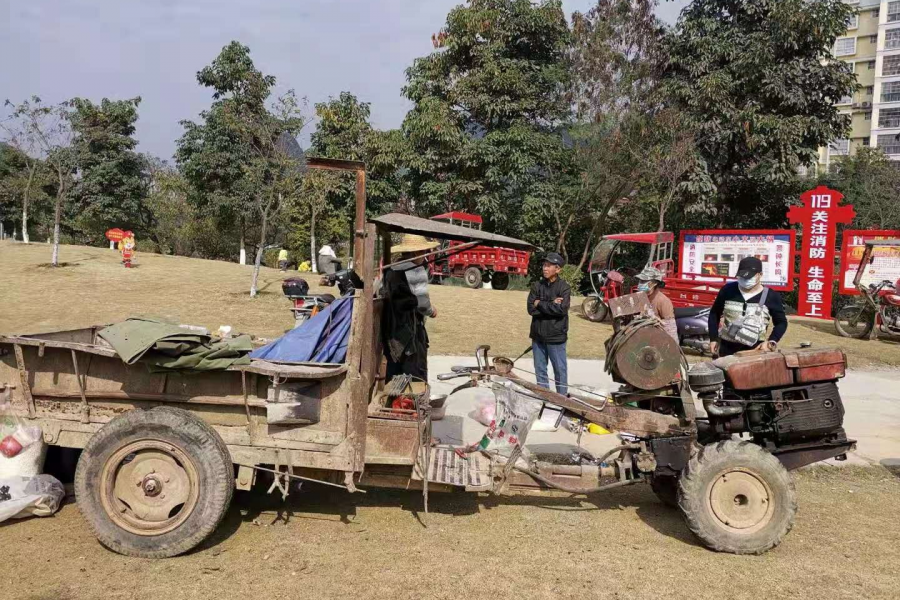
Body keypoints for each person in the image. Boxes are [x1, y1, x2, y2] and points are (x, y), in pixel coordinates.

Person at [381, 234, 439, 381]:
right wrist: (432, 311)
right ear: (416, 253)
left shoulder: (391, 268)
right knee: (415, 376)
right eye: (424, 252)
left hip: (393, 331)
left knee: (395, 376)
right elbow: (423, 306)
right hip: (410, 331)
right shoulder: (416, 270)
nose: (425, 255)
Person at [708, 256, 788, 358]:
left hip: (756, 352)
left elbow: (781, 322)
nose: (745, 280)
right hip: (726, 351)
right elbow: (714, 313)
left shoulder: (771, 296)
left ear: (760, 275)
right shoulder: (727, 290)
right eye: (742, 277)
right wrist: (713, 339)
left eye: (749, 277)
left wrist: (771, 341)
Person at [527, 252, 571, 395]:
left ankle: (563, 401)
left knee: (560, 371)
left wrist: (540, 303)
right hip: (538, 337)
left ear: (557, 269)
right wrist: (551, 304)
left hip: (556, 337)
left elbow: (561, 310)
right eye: (544, 265)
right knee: (540, 371)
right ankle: (544, 399)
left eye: (548, 266)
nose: (545, 268)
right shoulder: (536, 286)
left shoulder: (564, 287)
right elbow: (530, 309)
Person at [636, 265, 678, 341]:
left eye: (644, 281)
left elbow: (671, 332)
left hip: (659, 342)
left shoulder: (663, 301)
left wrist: (656, 321)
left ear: (654, 283)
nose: (640, 284)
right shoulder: (641, 298)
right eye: (640, 281)